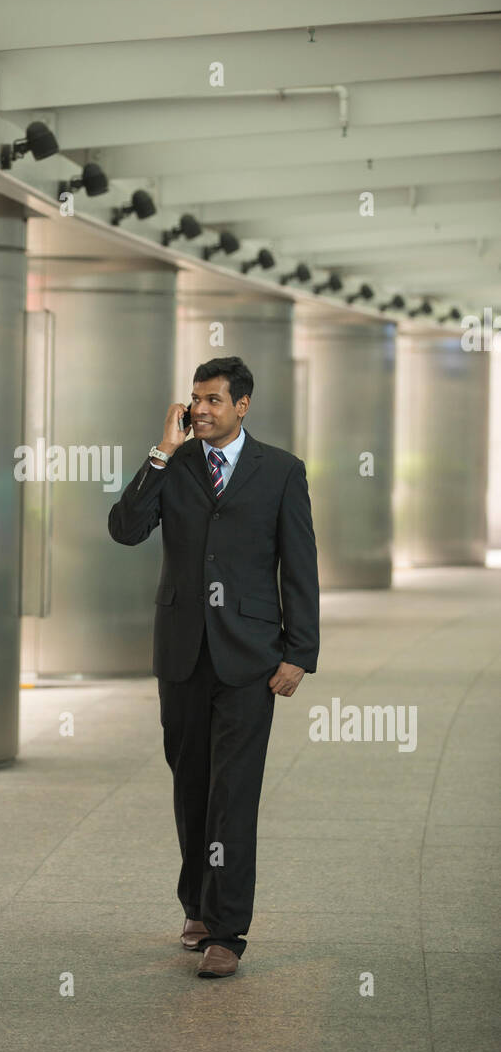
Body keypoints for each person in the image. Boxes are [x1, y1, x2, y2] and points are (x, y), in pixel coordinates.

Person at [107, 356, 320, 978]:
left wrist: (299, 653)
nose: (200, 409)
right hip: (182, 655)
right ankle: (196, 905)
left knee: (235, 792)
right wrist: (159, 453)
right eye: (194, 399)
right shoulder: (172, 467)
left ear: (242, 406)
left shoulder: (280, 471)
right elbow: (124, 529)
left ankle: (227, 932)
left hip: (251, 658)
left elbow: (299, 563)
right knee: (191, 783)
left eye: (213, 401)